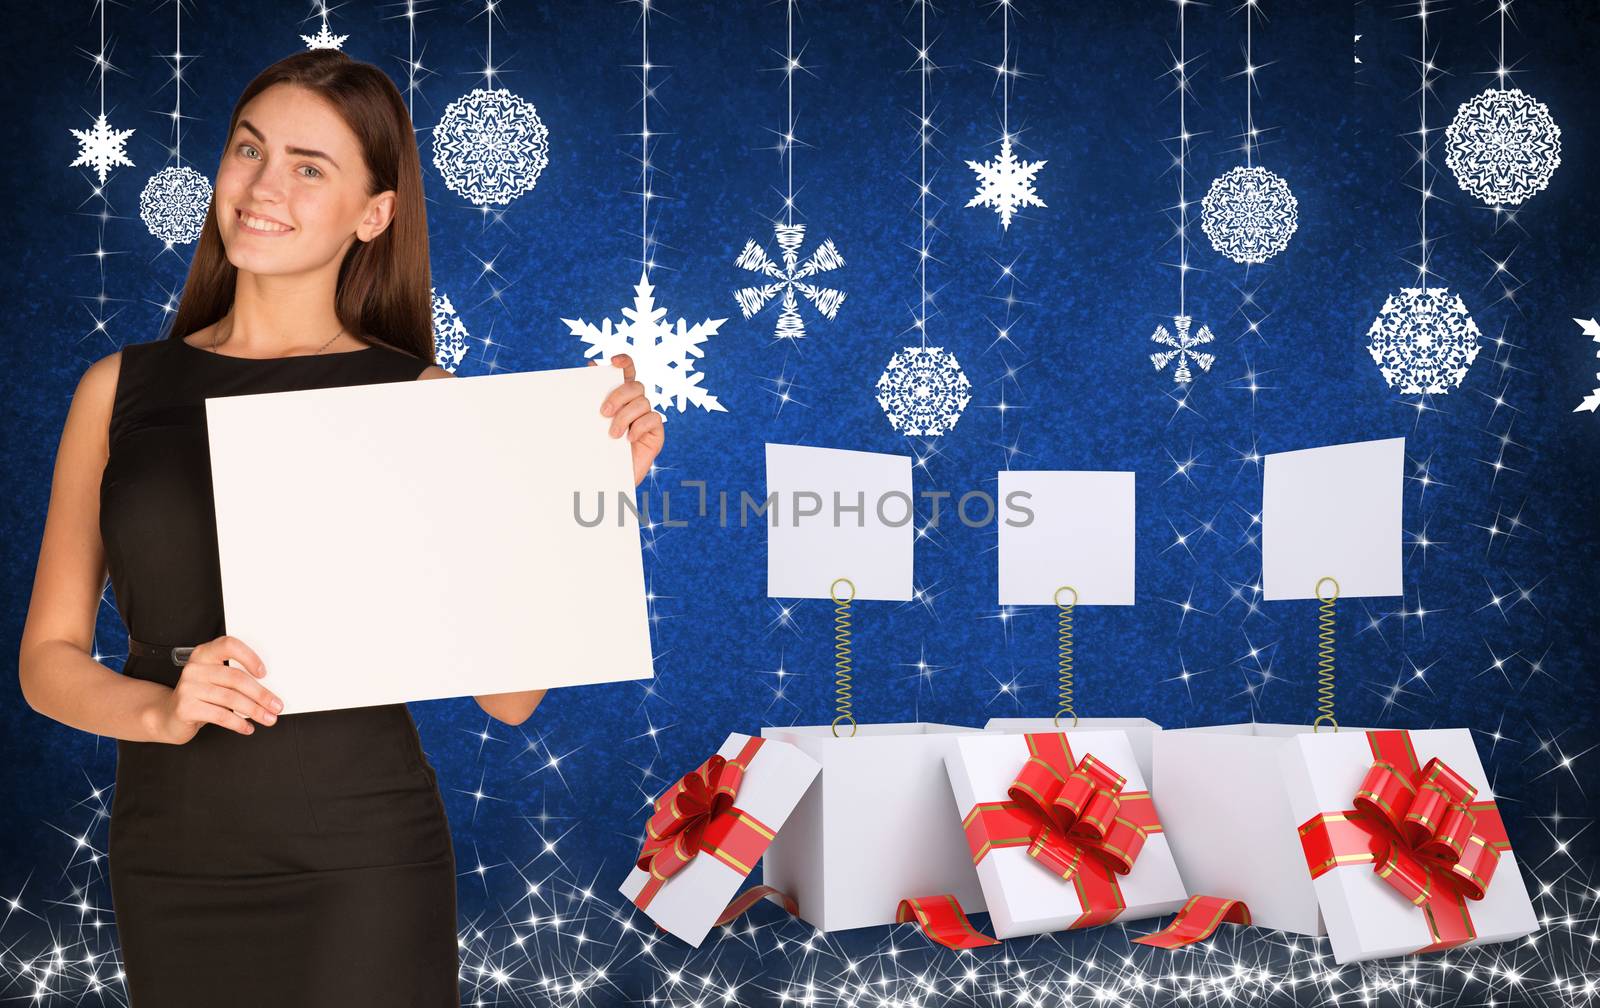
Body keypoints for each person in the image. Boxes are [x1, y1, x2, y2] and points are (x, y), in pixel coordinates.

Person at [16, 50, 663, 1006]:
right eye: (249, 149)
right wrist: (161, 710)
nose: (263, 187)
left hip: (363, 861)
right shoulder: (117, 389)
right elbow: (47, 659)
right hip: (169, 855)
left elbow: (510, 698)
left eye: (309, 167)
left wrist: (593, 495)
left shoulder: (420, 399)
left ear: (375, 214)